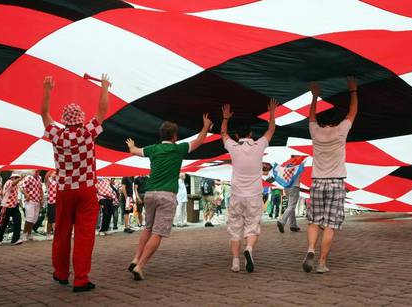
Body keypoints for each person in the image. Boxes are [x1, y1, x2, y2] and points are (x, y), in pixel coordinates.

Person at [41, 73, 111, 292]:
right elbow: (102, 110)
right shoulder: (88, 133)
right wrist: (105, 87)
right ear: (81, 118)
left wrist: (47, 90)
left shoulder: (57, 135)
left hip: (63, 190)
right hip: (86, 189)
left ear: (64, 119)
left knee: (61, 232)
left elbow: (44, 113)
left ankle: (61, 274)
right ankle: (81, 279)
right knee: (84, 234)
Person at [125, 114, 212, 280]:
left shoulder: (153, 149)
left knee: (147, 228)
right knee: (157, 233)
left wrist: (132, 145)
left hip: (150, 194)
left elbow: (133, 151)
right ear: (175, 136)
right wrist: (206, 126)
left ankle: (136, 257)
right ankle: (140, 266)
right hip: (167, 195)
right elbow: (199, 141)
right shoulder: (178, 149)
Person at [303, 77, 358, 274]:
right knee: (330, 226)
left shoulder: (315, 132)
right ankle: (322, 263)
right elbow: (353, 113)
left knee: (314, 221)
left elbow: (311, 117)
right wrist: (353, 90)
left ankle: (310, 249)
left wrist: (315, 96)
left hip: (317, 182)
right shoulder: (341, 131)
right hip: (336, 183)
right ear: (337, 120)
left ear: (322, 120)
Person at [221, 99, 277, 273]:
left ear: (237, 136)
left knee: (235, 228)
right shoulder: (259, 145)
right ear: (251, 134)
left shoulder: (233, 147)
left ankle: (235, 262)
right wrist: (272, 113)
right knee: (252, 226)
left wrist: (225, 118)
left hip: (237, 194)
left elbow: (223, 134)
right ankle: (249, 249)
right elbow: (271, 130)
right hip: (254, 194)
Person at [277, 156, 305, 233]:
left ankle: (293, 225)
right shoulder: (299, 163)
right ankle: (282, 221)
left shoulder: (286, 164)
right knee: (292, 206)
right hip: (294, 187)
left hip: (286, 187)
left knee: (290, 206)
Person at [0, 172, 23, 246]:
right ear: (12, 178)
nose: (18, 179)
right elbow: (13, 183)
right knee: (4, 223)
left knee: (18, 221)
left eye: (18, 177)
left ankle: (15, 240)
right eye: (16, 177)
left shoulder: (17, 185)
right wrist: (20, 178)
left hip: (14, 206)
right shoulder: (9, 182)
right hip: (6, 206)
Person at [21, 170, 43, 242]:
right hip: (30, 200)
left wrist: (41, 199)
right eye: (36, 171)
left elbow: (40, 189)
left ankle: (29, 234)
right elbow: (21, 187)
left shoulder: (39, 178)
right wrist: (26, 195)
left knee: (34, 219)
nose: (37, 173)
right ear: (32, 171)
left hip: (37, 200)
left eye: (38, 171)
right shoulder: (28, 177)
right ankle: (24, 234)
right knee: (29, 218)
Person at [45, 171, 57, 239]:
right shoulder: (49, 180)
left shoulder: (56, 181)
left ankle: (55, 233)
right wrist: (49, 170)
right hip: (51, 202)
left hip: (58, 202)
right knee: (50, 219)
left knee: (56, 219)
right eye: (54, 173)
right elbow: (46, 177)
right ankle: (48, 234)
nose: (55, 174)